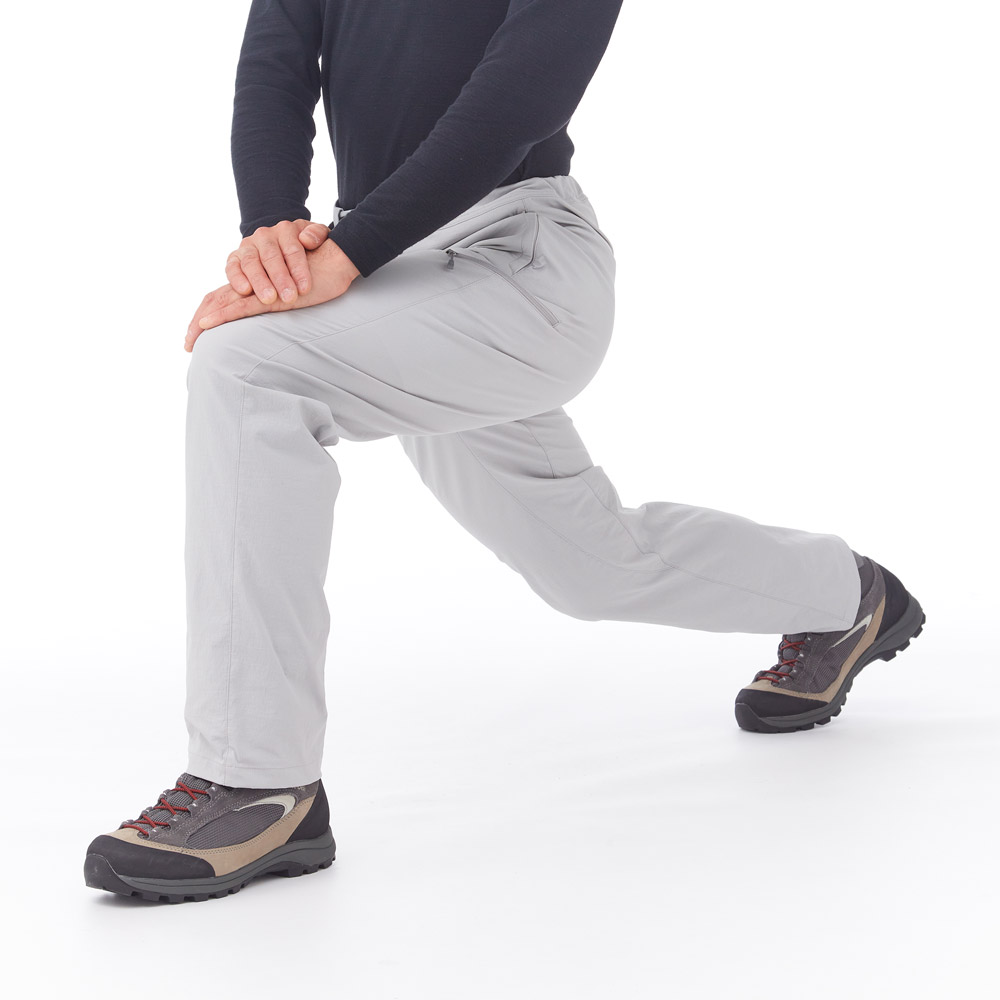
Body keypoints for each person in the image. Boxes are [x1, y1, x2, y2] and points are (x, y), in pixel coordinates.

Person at [84, 0, 925, 904]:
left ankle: (257, 782)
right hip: (392, 263)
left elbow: (525, 88)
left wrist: (349, 252)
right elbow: (276, 64)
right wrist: (273, 236)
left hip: (517, 258)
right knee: (590, 567)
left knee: (248, 369)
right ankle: (848, 594)